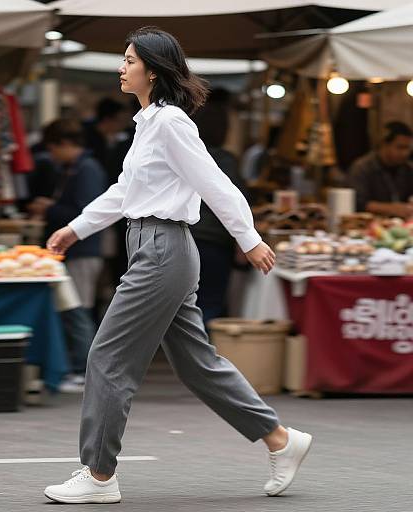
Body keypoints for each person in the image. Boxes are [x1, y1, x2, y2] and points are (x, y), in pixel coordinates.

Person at [43, 27, 313, 504]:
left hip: (162, 250)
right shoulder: (148, 122)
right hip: (155, 248)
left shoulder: (170, 122)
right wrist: (78, 227)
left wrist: (248, 239)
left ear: (153, 68)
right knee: (197, 365)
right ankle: (281, 441)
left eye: (129, 60)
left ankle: (99, 475)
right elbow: (126, 191)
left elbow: (215, 182)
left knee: (107, 358)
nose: (121, 67)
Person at [27, 119, 108, 390]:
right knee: (75, 309)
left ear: (63, 144)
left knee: (78, 310)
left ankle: (85, 370)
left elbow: (86, 212)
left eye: (52, 148)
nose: (50, 155)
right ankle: (80, 368)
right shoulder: (74, 168)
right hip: (76, 249)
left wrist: (49, 210)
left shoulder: (87, 169)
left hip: (84, 249)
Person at [190, 96, 249, 326]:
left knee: (182, 303)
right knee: (210, 303)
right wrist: (244, 240)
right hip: (214, 241)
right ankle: (201, 357)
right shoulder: (225, 160)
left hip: (181, 237)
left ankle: (184, 354)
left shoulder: (181, 157)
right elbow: (234, 202)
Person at [348, 121, 413, 217]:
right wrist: (392, 208)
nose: (405, 153)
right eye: (400, 147)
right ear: (384, 144)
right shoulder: (362, 168)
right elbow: (358, 203)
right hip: (369, 223)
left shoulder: (407, 168)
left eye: (408, 148)